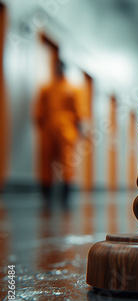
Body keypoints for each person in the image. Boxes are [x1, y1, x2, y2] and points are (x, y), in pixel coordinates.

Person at [34, 60, 81, 209]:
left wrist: (78, 127)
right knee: (46, 159)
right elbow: (39, 111)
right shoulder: (46, 88)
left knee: (67, 161)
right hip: (49, 129)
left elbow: (78, 111)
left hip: (66, 129)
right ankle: (46, 193)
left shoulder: (72, 89)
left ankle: (65, 194)